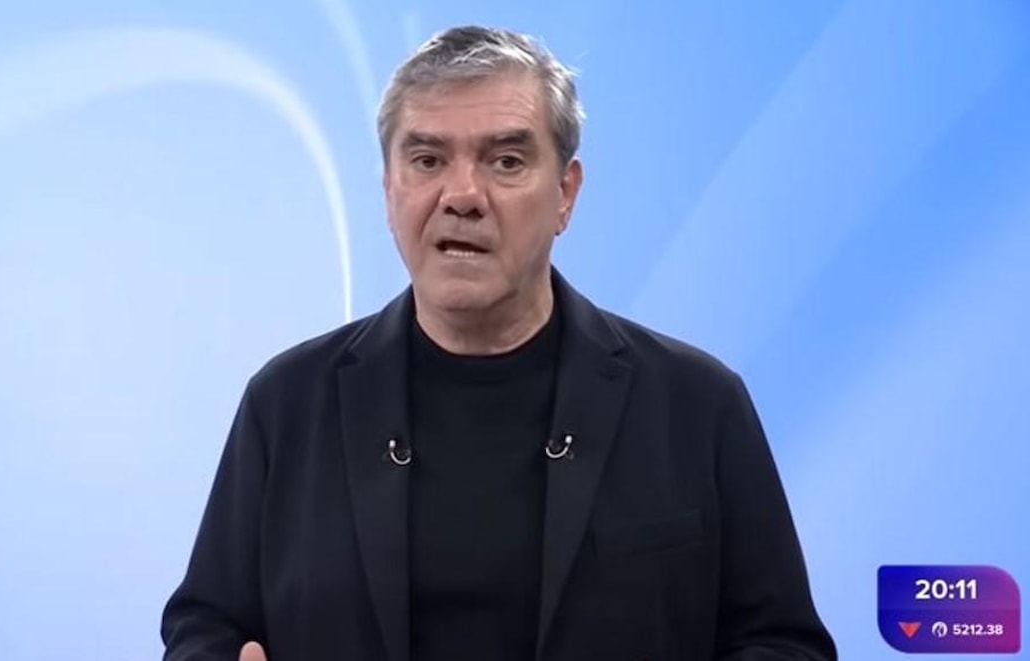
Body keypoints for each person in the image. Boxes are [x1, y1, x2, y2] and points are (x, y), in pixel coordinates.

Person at [161, 25, 836, 661]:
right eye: (427, 160)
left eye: (506, 161)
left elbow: (783, 643)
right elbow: (205, 625)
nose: (463, 195)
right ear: (389, 189)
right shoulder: (286, 404)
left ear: (566, 193)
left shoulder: (697, 404)